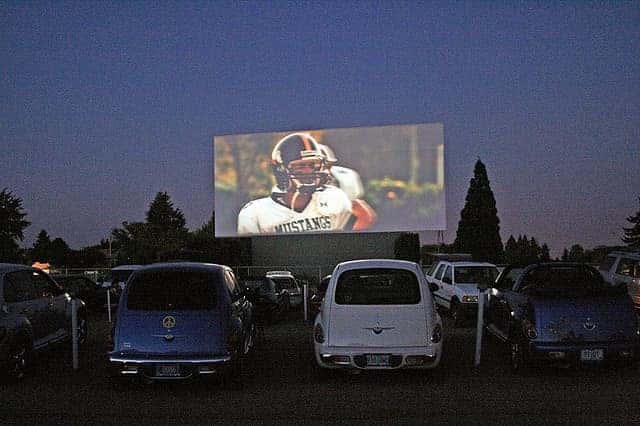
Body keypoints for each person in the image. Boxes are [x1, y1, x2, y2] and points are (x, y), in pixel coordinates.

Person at [237, 133, 376, 235]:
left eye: (313, 165)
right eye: (300, 166)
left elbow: (365, 215)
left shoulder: (334, 197)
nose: (309, 171)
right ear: (282, 170)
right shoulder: (254, 213)